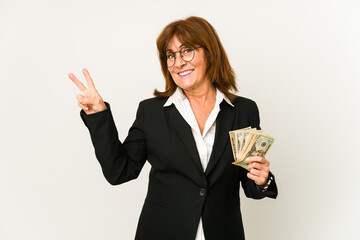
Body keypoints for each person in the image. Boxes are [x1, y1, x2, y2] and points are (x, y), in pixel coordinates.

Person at [69, 16, 278, 240]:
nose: (178, 63)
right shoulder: (151, 112)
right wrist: (99, 115)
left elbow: (250, 186)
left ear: (210, 53)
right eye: (171, 55)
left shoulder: (244, 110)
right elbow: (119, 172)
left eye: (187, 51)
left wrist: (262, 179)